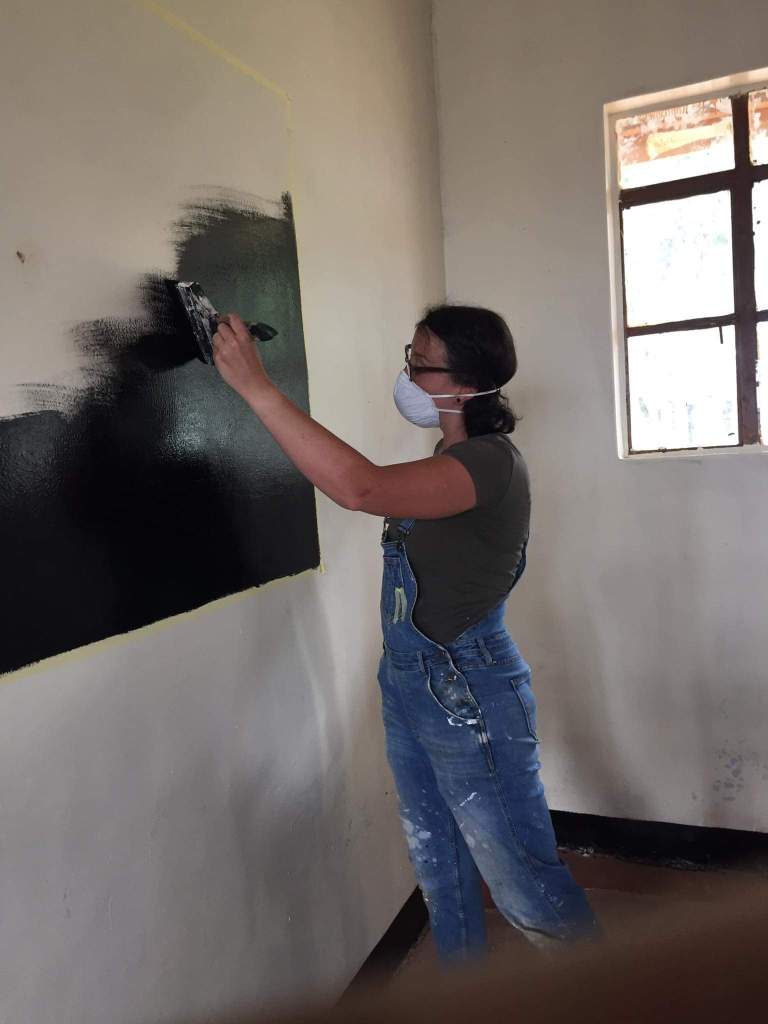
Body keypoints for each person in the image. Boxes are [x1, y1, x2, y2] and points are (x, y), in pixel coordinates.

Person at [212, 304, 601, 968]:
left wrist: (258, 388)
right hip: (411, 681)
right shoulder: (448, 454)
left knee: (526, 889)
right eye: (410, 358)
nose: (408, 376)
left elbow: (362, 489)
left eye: (421, 365)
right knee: (440, 870)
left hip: (467, 688)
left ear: (465, 384)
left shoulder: (489, 463)